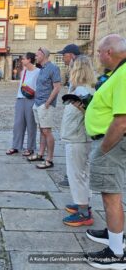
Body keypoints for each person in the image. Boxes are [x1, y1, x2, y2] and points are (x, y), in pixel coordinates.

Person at [84, 34, 126, 269]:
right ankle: (114, 233)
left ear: (109, 52)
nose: (98, 55)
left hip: (112, 144)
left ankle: (116, 254)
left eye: (100, 51)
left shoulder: (124, 74)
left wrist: (103, 149)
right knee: (111, 194)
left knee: (112, 197)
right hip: (111, 143)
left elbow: (122, 120)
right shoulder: (117, 73)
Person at [60, 56, 95, 227]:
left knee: (76, 174)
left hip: (78, 139)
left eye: (72, 68)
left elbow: (90, 115)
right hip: (80, 138)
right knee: (82, 173)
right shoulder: (85, 89)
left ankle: (83, 212)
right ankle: (83, 204)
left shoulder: (83, 91)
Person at [27, 47, 61, 169]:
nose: (35, 57)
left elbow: (57, 87)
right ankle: (40, 154)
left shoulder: (53, 68)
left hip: (45, 105)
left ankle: (49, 159)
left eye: (37, 55)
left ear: (44, 55)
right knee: (42, 130)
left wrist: (47, 103)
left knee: (47, 131)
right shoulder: (41, 69)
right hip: (38, 103)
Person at [57, 43, 81, 188]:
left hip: (77, 122)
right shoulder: (73, 71)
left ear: (72, 56)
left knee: (75, 150)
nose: (63, 59)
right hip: (72, 119)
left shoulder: (80, 73)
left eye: (64, 56)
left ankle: (73, 177)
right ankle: (71, 174)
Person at [6, 52, 40, 156]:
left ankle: (30, 148)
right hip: (20, 98)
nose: (22, 60)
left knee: (31, 124)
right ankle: (16, 146)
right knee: (18, 124)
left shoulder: (38, 72)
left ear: (29, 59)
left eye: (24, 58)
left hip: (31, 99)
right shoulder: (23, 71)